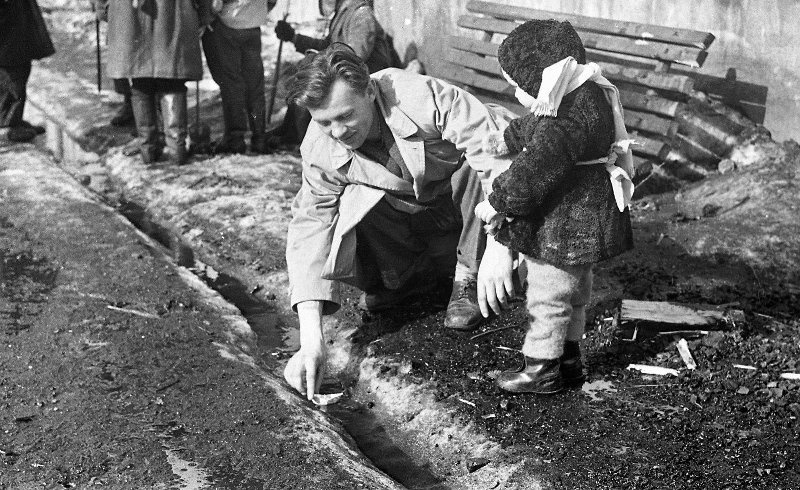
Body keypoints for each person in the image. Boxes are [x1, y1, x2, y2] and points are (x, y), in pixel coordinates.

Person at [282, 43, 516, 400]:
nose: (338, 132)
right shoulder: (319, 145)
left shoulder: (417, 97)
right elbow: (309, 226)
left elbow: (492, 151)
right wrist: (311, 342)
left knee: (474, 166)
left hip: (473, 202)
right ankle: (405, 280)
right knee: (353, 204)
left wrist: (501, 244)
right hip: (418, 209)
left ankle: (467, 275)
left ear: (370, 92)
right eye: (324, 121)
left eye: (346, 116)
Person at [474, 19, 635, 394]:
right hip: (590, 218)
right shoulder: (584, 91)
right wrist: (507, 137)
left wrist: (497, 203)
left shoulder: (565, 120)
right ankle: (569, 359)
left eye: (517, 87)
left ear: (540, 78)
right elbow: (536, 122)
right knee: (575, 291)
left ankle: (541, 368)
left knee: (548, 291)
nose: (515, 95)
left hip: (567, 221)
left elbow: (533, 169)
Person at [267, 0, 397, 150]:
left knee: (312, 73)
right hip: (343, 80)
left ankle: (300, 140)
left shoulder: (361, 14)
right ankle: (292, 132)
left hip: (360, 82)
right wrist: (294, 38)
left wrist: (316, 61)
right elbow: (328, 46)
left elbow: (354, 57)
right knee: (306, 75)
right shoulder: (343, 12)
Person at [106, 0, 213, 165]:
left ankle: (148, 150)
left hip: (130, 15)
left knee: (140, 81)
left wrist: (106, 9)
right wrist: (204, 14)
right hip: (174, 16)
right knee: (171, 78)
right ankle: (177, 150)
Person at [202, 0, 277, 154]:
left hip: (226, 25)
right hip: (252, 26)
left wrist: (207, 17)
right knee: (255, 86)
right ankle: (259, 139)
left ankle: (236, 140)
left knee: (232, 84)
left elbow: (216, 4)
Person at [0, 0, 53, 143]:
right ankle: (7, 125)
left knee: (21, 66)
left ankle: (14, 119)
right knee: (11, 71)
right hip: (6, 21)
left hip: (15, 15)